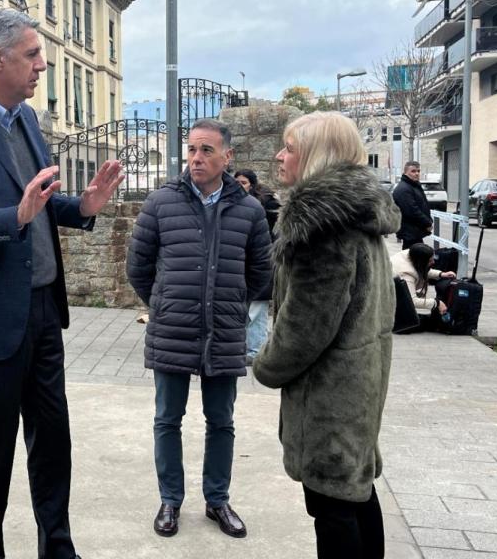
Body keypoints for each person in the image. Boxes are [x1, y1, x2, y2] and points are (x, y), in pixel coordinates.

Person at [0, 9, 124, 559]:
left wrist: (82, 206)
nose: (43, 65)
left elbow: (37, 204)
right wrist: (13, 216)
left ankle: (57, 547)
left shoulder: (27, 120)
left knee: (53, 437)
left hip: (42, 307)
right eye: (33, 54)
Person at [252, 111, 401, 559]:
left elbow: (306, 326)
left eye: (290, 147)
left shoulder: (322, 228)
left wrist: (265, 365)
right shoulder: (356, 218)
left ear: (317, 155)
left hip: (330, 394)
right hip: (359, 382)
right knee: (354, 492)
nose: (279, 156)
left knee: (332, 504)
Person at [126, 119, 272, 540]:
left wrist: (231, 309)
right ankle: (170, 501)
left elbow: (261, 273)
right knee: (167, 419)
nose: (196, 158)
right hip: (173, 329)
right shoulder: (160, 203)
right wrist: (163, 304)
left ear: (228, 157)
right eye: (191, 149)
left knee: (221, 421)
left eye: (207, 150)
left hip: (223, 332)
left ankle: (217, 500)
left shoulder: (249, 210)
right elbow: (138, 266)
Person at [234, 169, 280, 363]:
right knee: (243, 310)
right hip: (242, 264)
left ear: (251, 184)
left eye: (243, 183)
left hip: (260, 262)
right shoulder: (235, 204)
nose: (239, 186)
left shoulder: (266, 206)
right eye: (237, 182)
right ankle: (246, 348)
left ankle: (256, 351)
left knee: (257, 312)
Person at [391, 243, 456, 331]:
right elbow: (412, 301)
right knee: (417, 323)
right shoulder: (406, 274)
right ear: (421, 261)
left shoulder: (410, 254)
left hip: (390, 294)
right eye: (430, 261)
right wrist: (437, 303)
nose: (433, 262)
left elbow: (420, 268)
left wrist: (441, 274)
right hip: (388, 302)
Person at [392, 161, 432, 249]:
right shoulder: (404, 189)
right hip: (410, 231)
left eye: (418, 171)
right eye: (413, 171)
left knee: (414, 257)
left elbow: (422, 206)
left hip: (414, 231)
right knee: (412, 258)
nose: (417, 173)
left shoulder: (413, 186)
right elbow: (412, 211)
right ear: (405, 172)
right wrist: (427, 223)